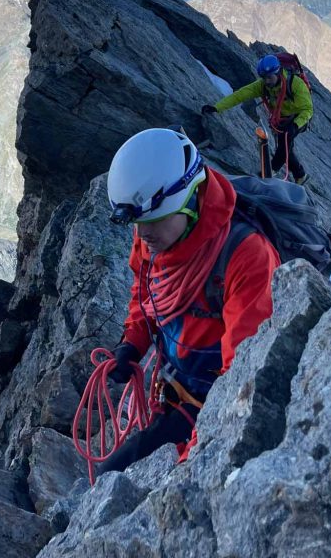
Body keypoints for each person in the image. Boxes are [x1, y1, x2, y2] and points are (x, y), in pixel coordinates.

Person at [101, 128, 279, 473]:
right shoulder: (156, 237)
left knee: (118, 477)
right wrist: (133, 343)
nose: (142, 235)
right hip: (174, 395)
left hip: (210, 407)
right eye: (137, 224)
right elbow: (145, 293)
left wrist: (191, 463)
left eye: (151, 221)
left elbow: (244, 376)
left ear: (190, 200)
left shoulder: (246, 256)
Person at [202, 54, 313, 185]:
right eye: (264, 78)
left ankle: (270, 170)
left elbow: (307, 110)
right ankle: (301, 175)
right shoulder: (263, 85)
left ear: (278, 72)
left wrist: (295, 125)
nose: (267, 81)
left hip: (300, 117)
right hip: (282, 119)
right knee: (286, 146)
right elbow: (240, 95)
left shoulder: (295, 84)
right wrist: (217, 107)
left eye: (269, 78)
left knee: (286, 137)